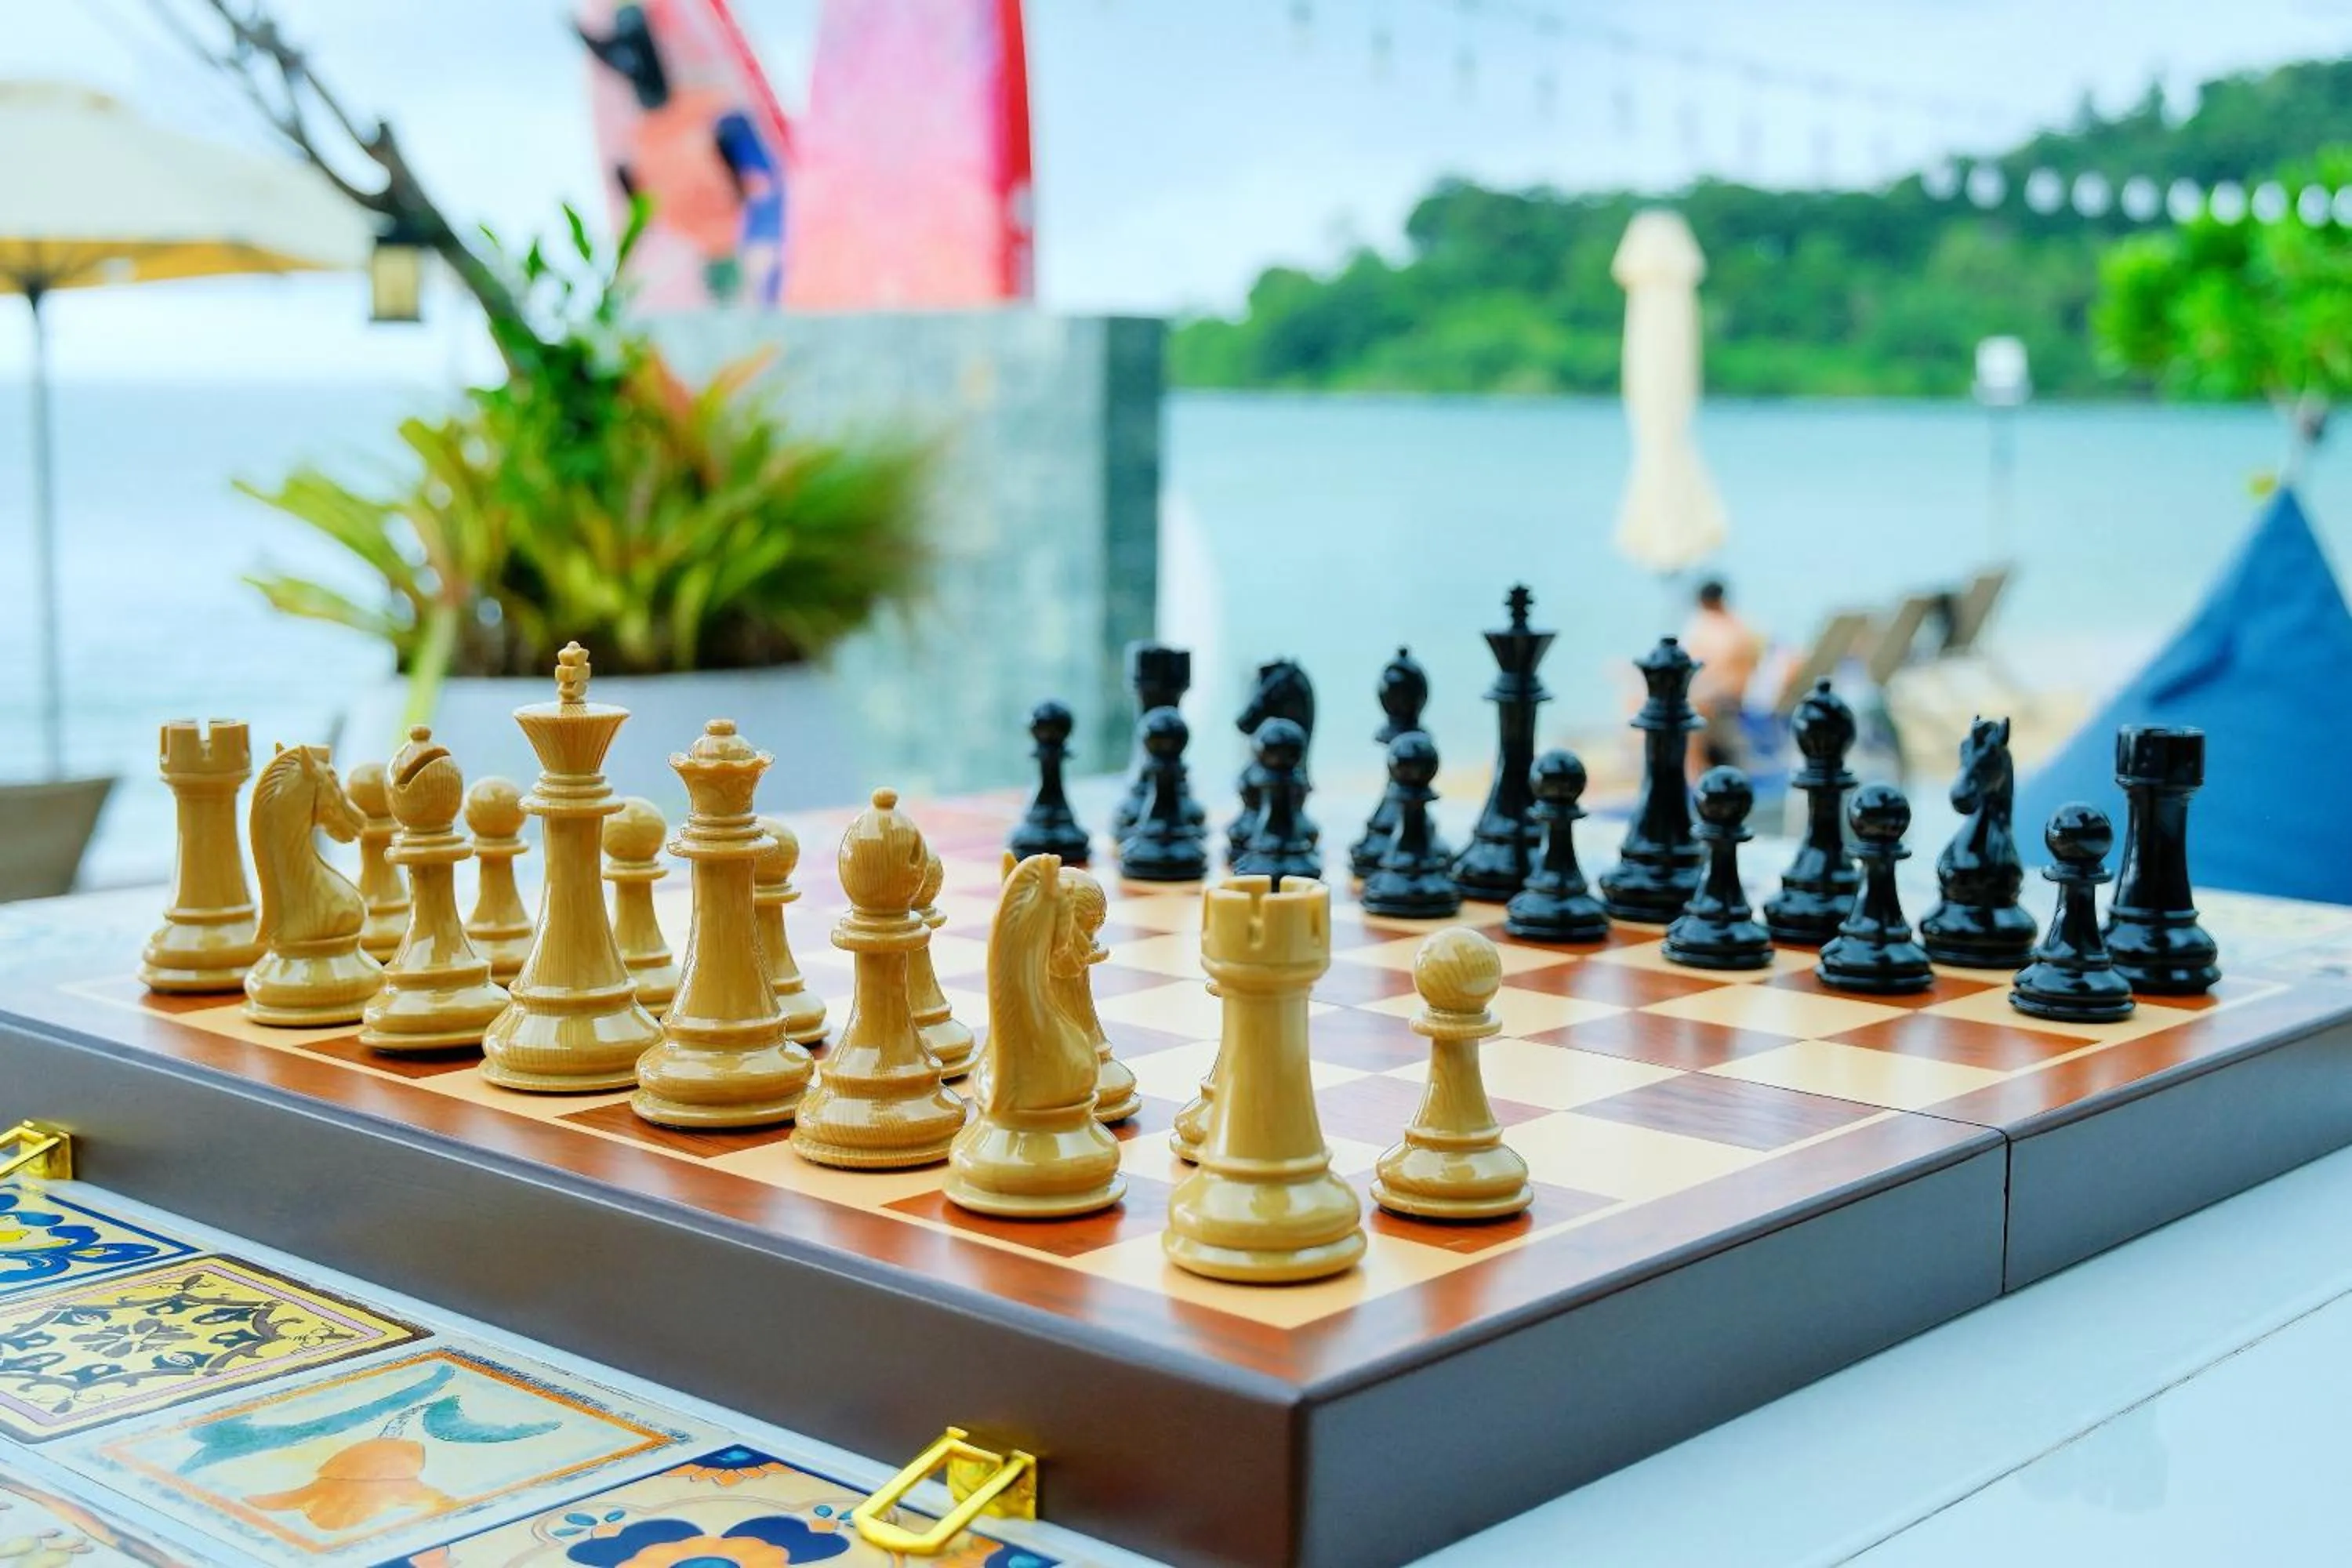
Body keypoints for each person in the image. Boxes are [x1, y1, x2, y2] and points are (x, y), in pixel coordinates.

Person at [1681, 579, 1762, 771]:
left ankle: (1695, 768)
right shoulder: (1723, 625)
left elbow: (1736, 669)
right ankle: (1694, 766)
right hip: (1717, 691)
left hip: (1728, 694)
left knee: (1693, 710)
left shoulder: (1725, 628)